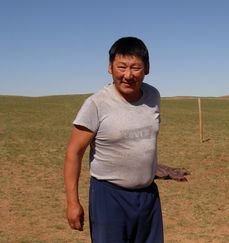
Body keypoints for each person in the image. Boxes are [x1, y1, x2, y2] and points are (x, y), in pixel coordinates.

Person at [64, 36, 163, 243]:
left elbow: (142, 142)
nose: (128, 75)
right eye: (121, 67)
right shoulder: (96, 104)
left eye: (135, 67)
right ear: (110, 68)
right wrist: (73, 203)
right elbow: (73, 153)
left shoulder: (153, 97)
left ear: (147, 68)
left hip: (148, 196)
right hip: (109, 197)